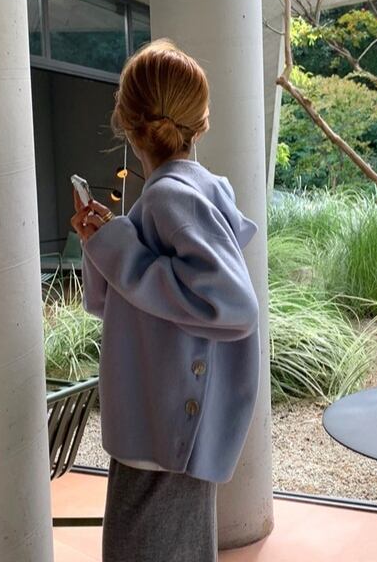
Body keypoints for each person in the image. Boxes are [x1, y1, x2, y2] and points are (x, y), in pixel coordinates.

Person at [70, 39, 261, 562]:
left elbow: (234, 307)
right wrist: (104, 243)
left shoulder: (169, 195)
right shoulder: (182, 192)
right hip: (165, 426)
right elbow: (122, 307)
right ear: (201, 122)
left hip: (161, 432)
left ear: (128, 123)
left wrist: (122, 251)